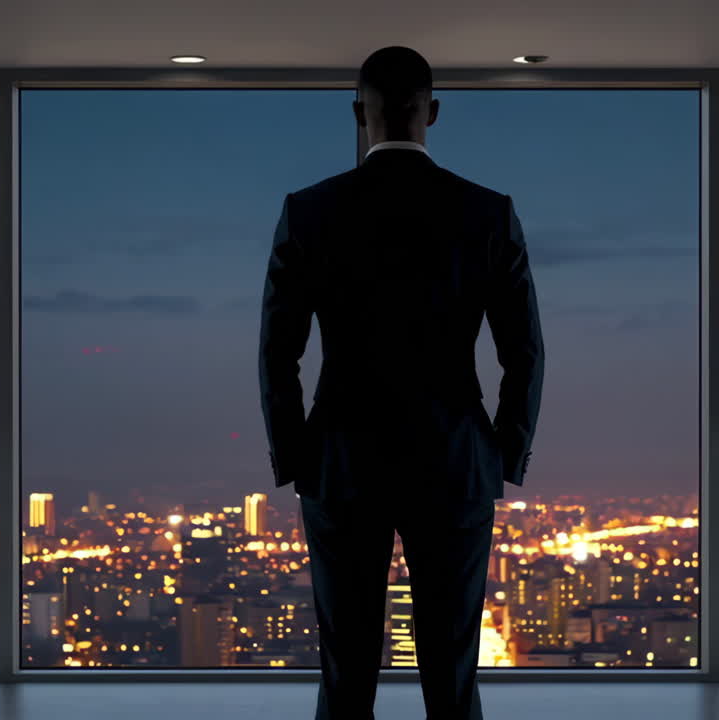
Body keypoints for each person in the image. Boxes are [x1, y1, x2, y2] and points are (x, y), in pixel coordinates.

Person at [259, 45, 544, 720]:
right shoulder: (487, 213)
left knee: (347, 665)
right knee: (451, 666)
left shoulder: (309, 212)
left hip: (343, 461)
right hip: (453, 460)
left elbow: (278, 353)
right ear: (432, 112)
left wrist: (297, 456)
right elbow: (524, 352)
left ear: (360, 112)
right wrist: (502, 452)